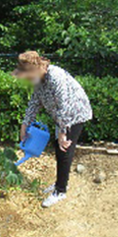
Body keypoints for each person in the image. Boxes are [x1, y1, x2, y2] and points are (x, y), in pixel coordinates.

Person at [13, 51, 93, 208]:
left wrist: (63, 131)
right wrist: (24, 125)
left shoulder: (55, 76)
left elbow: (64, 104)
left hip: (75, 113)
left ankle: (61, 191)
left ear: (35, 68)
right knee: (58, 147)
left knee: (64, 149)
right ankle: (60, 183)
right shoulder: (38, 80)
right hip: (62, 116)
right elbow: (35, 103)